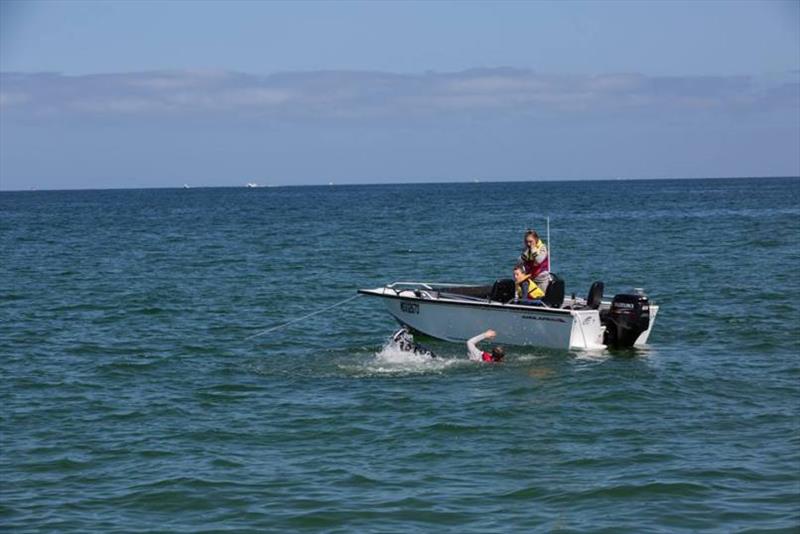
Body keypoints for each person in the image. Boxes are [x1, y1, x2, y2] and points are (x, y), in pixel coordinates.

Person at [519, 229, 551, 294]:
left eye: (530, 241)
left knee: (540, 298)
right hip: (530, 278)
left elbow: (539, 260)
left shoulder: (542, 248)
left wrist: (533, 249)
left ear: (536, 239)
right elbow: (520, 262)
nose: (528, 244)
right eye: (526, 242)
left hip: (541, 280)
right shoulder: (526, 249)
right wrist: (526, 252)